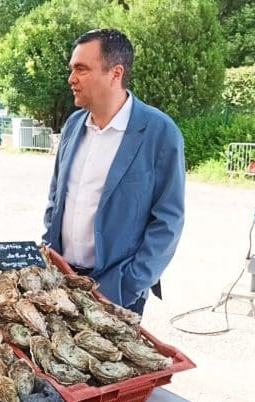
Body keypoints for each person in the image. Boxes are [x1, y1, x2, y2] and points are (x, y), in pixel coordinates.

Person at [42, 29, 185, 315]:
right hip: (62, 280)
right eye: (72, 69)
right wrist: (49, 253)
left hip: (117, 291)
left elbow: (168, 220)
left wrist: (130, 283)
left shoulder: (159, 132)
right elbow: (56, 196)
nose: (71, 79)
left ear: (115, 73)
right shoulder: (73, 125)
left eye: (81, 69)